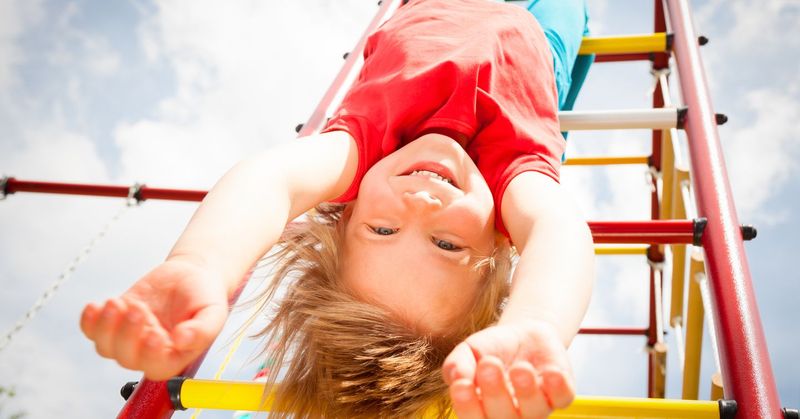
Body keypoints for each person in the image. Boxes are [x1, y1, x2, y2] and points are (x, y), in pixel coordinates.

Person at [80, 0, 595, 417]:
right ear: (500, 243)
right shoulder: (512, 179)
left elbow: (271, 180)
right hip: (539, 34)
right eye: (446, 244)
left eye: (383, 229)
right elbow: (557, 228)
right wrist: (538, 322)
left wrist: (202, 264)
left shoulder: (360, 154)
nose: (420, 204)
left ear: (345, 213)